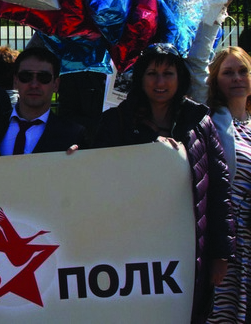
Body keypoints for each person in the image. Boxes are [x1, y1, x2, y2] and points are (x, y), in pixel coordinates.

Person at [93, 43, 234, 324]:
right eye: (152, 73)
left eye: (168, 73)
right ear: (140, 78)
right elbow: (94, 178)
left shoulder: (200, 122)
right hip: (130, 246)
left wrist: (221, 254)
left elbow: (219, 190)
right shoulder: (116, 121)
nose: (160, 82)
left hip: (189, 247)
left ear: (180, 77)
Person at [204, 47, 251, 322]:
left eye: (243, 71)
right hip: (226, 240)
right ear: (216, 81)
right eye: (228, 72)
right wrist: (214, 11)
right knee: (222, 313)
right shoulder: (211, 121)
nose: (237, 78)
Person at [0, 46, 88, 157]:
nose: (34, 84)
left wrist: (76, 162)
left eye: (44, 78)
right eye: (26, 76)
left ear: (56, 85)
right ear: (15, 81)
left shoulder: (72, 135)